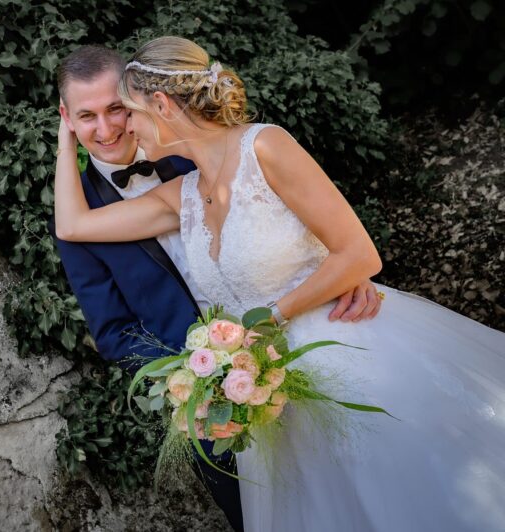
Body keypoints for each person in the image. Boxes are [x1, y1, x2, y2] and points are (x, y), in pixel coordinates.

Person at [53, 36, 505, 532]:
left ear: (161, 105)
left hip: (346, 345)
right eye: (92, 115)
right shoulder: (181, 193)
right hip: (251, 389)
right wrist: (65, 135)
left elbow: (356, 251)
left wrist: (291, 308)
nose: (122, 127)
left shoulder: (263, 145)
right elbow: (73, 227)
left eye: (128, 111)